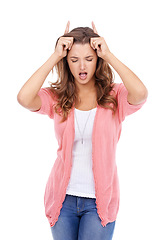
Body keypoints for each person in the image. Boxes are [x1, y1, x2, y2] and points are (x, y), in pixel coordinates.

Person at [17, 21, 148, 240]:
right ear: (66, 62)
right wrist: (55, 55)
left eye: (89, 59)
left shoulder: (114, 96)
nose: (82, 67)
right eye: (74, 60)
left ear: (97, 59)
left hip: (100, 203)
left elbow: (141, 93)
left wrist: (109, 54)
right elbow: (24, 98)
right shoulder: (58, 98)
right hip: (62, 200)